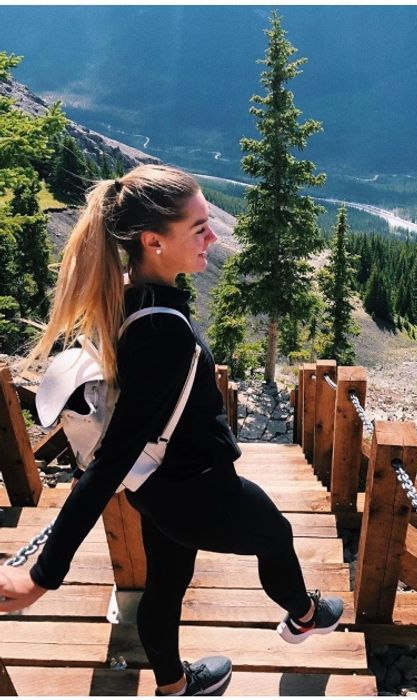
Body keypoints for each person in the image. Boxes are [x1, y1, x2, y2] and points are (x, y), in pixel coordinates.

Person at [0, 165, 343, 696]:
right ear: (153, 241)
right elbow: (110, 459)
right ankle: (304, 615)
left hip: (156, 490)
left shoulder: (133, 299)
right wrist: (44, 574)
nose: (213, 236)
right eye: (200, 227)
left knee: (166, 584)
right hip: (201, 489)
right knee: (277, 535)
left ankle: (174, 684)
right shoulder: (164, 331)